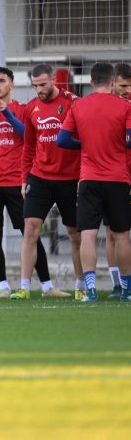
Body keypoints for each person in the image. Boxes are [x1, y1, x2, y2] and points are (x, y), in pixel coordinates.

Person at [0, 67, 65, 298]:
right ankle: (3, 286)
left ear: (11, 84)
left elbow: (29, 136)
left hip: (16, 182)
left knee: (29, 232)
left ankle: (47, 286)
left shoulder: (22, 110)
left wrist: (7, 114)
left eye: (1, 81)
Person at [57, 62, 131, 302]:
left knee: (88, 235)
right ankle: (127, 289)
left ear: (91, 82)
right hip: (118, 178)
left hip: (88, 179)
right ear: (112, 82)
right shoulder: (124, 106)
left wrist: (85, 145)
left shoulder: (79, 105)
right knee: (121, 235)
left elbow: (62, 140)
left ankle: (90, 290)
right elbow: (130, 141)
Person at [11, 63, 83, 300]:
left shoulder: (73, 102)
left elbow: (85, 140)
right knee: (30, 228)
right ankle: (23, 286)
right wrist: (24, 179)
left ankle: (81, 286)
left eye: (43, 84)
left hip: (70, 178)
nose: (39, 89)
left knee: (75, 234)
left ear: (54, 79)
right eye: (35, 86)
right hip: (39, 177)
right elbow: (28, 148)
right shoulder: (31, 108)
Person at [105, 63, 131, 299]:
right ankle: (117, 284)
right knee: (114, 233)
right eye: (124, 85)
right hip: (114, 178)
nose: (128, 90)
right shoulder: (105, 109)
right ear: (113, 83)